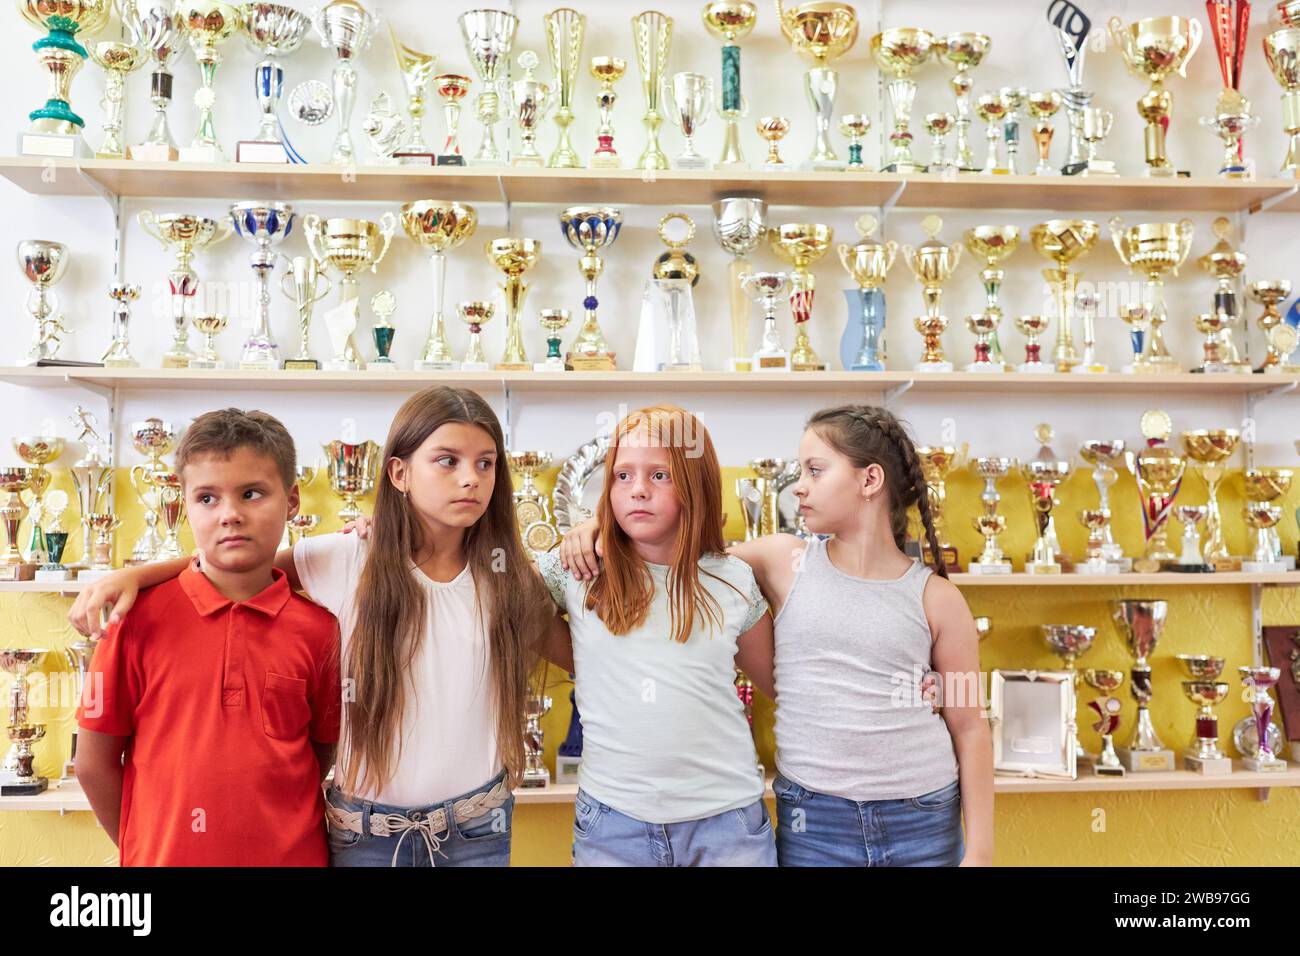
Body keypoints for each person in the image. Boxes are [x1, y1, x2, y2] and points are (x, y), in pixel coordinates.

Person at [69, 387, 568, 867]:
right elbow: (235, 565)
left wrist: (594, 541)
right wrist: (132, 574)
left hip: (476, 828)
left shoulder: (508, 578)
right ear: (398, 472)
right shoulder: (346, 557)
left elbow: (587, 654)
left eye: (486, 463)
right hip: (367, 834)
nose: (470, 479)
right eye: (447, 460)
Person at [560, 404, 994, 866]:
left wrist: (981, 850)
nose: (800, 487)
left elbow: (970, 727)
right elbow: (681, 552)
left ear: (869, 481)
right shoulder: (781, 561)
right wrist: (598, 527)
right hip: (815, 819)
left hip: (923, 817)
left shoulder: (939, 599)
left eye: (815, 470)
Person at [75, 408, 341, 866]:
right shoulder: (133, 620)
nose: (230, 515)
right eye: (207, 499)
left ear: (293, 501)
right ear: (183, 503)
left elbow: (320, 754)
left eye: (251, 494)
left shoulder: (321, 630)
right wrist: (147, 845)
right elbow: (93, 764)